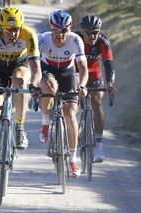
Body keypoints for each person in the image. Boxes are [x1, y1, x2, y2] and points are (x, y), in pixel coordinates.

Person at [0, 7, 42, 184]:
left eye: (16, 29)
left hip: (19, 66)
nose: (13, 34)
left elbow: (36, 70)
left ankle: (20, 127)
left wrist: (35, 84)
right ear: (0, 27)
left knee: (20, 81)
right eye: (8, 30)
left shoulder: (28, 34)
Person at [38, 10, 89, 178]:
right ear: (51, 28)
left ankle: (73, 161)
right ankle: (45, 123)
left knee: (70, 114)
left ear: (70, 29)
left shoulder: (76, 40)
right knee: (50, 87)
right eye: (56, 30)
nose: (60, 35)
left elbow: (83, 69)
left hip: (68, 72)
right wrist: (35, 83)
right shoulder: (43, 39)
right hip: (48, 70)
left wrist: (82, 85)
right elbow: (34, 64)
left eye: (64, 31)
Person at [76, 14, 116, 163]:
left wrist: (110, 83)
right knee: (71, 101)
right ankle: (73, 129)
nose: (93, 36)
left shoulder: (103, 41)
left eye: (96, 32)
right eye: (89, 32)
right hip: (76, 72)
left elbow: (108, 63)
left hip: (94, 73)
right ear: (81, 31)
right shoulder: (74, 38)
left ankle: (98, 145)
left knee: (97, 102)